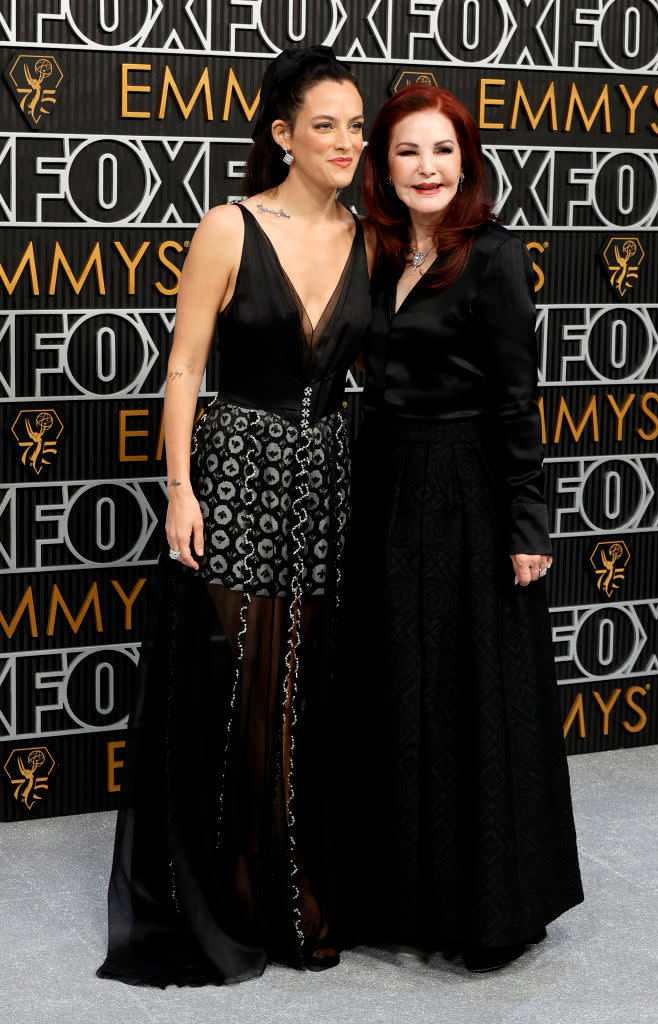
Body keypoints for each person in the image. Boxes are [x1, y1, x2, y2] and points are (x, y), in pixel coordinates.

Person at [97, 46, 373, 987]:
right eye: (325, 124)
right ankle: (249, 893)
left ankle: (298, 886)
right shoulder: (229, 226)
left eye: (355, 125)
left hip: (330, 480)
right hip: (240, 468)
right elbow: (184, 368)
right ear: (282, 134)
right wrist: (180, 487)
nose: (346, 141)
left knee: (305, 683)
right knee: (242, 684)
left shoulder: (371, 237)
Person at [344, 85, 583, 972]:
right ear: (384, 164)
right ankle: (395, 896)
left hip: (470, 493)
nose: (428, 168)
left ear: (467, 159)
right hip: (384, 485)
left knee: (469, 694)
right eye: (408, 151)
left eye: (442, 150)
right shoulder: (372, 250)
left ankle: (487, 910)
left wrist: (529, 520)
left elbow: (518, 401)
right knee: (396, 684)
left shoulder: (495, 256)